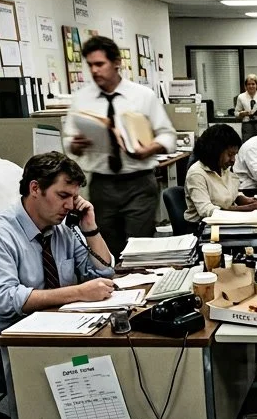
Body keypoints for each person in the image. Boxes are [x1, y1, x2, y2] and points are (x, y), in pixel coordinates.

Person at [0, 152, 115, 332]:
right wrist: (78, 292)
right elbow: (6, 301)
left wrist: (90, 229)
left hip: (57, 327)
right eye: (63, 196)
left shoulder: (63, 228)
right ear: (35, 188)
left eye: (73, 198)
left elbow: (103, 275)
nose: (69, 206)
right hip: (5, 339)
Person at [66, 35, 176, 259]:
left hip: (138, 181)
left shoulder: (143, 96)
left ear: (116, 63)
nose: (95, 71)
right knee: (105, 246)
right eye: (90, 66)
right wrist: (76, 145)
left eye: (100, 64)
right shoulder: (81, 99)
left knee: (140, 245)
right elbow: (68, 142)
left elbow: (168, 136)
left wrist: (149, 149)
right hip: (102, 183)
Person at [184, 124, 257, 225]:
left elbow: (231, 192)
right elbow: (206, 211)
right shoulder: (197, 173)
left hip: (225, 222)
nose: (233, 160)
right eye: (230, 154)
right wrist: (245, 209)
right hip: (201, 227)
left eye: (235, 155)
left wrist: (247, 201)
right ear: (215, 151)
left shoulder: (222, 167)